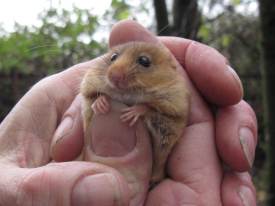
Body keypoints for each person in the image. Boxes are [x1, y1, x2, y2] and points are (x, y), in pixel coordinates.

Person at [0, 20, 257, 206]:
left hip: (155, 176)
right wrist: (97, 99)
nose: (118, 71)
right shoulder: (98, 81)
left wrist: (146, 108)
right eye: (113, 58)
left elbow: (175, 115)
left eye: (143, 63)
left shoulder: (171, 90)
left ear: (170, 69)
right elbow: (87, 91)